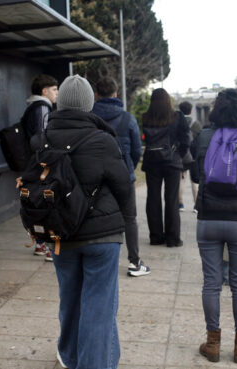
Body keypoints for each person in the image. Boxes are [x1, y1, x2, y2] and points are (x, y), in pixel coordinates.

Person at [31, 75, 132, 369]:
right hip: (101, 236)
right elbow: (124, 187)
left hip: (60, 234)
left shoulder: (42, 138)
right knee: (99, 309)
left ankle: (70, 357)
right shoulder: (102, 139)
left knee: (70, 301)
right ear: (90, 104)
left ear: (61, 102)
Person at [194, 88, 237, 364]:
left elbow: (199, 174)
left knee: (211, 283)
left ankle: (212, 344)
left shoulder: (205, 137)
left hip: (209, 216)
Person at [92, 77, 150, 277]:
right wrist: (128, 169)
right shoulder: (127, 118)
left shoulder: (90, 117)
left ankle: (97, 261)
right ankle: (134, 262)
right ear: (116, 94)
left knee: (95, 215)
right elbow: (135, 150)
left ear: (96, 95)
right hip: (123, 177)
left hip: (95, 177)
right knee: (129, 219)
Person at [141, 88, 190, 247]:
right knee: (172, 199)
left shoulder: (146, 117)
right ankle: (173, 238)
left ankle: (155, 236)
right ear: (168, 100)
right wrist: (179, 156)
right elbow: (186, 140)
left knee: (153, 199)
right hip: (172, 162)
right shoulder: (177, 117)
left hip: (151, 162)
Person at [24, 74, 58, 261]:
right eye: (54, 89)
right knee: (43, 203)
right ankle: (44, 244)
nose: (57, 93)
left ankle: (40, 243)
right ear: (44, 91)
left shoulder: (33, 106)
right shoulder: (43, 107)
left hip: (34, 162)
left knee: (37, 203)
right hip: (41, 164)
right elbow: (42, 136)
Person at [178, 101, 202, 212]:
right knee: (194, 181)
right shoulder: (196, 124)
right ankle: (196, 205)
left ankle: (180, 204)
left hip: (181, 154)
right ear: (191, 110)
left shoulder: (177, 123)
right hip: (193, 155)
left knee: (181, 180)